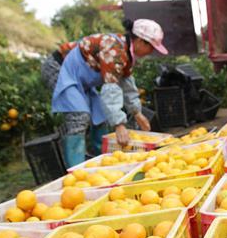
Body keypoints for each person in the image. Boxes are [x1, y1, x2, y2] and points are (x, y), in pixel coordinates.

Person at [43, 19, 167, 167]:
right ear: (140, 41)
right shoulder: (114, 50)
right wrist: (119, 125)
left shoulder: (126, 53)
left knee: (99, 114)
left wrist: (137, 112)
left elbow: (127, 84)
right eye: (152, 47)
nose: (151, 52)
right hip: (59, 67)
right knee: (79, 116)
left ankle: (103, 162)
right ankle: (77, 171)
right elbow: (111, 89)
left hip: (82, 78)